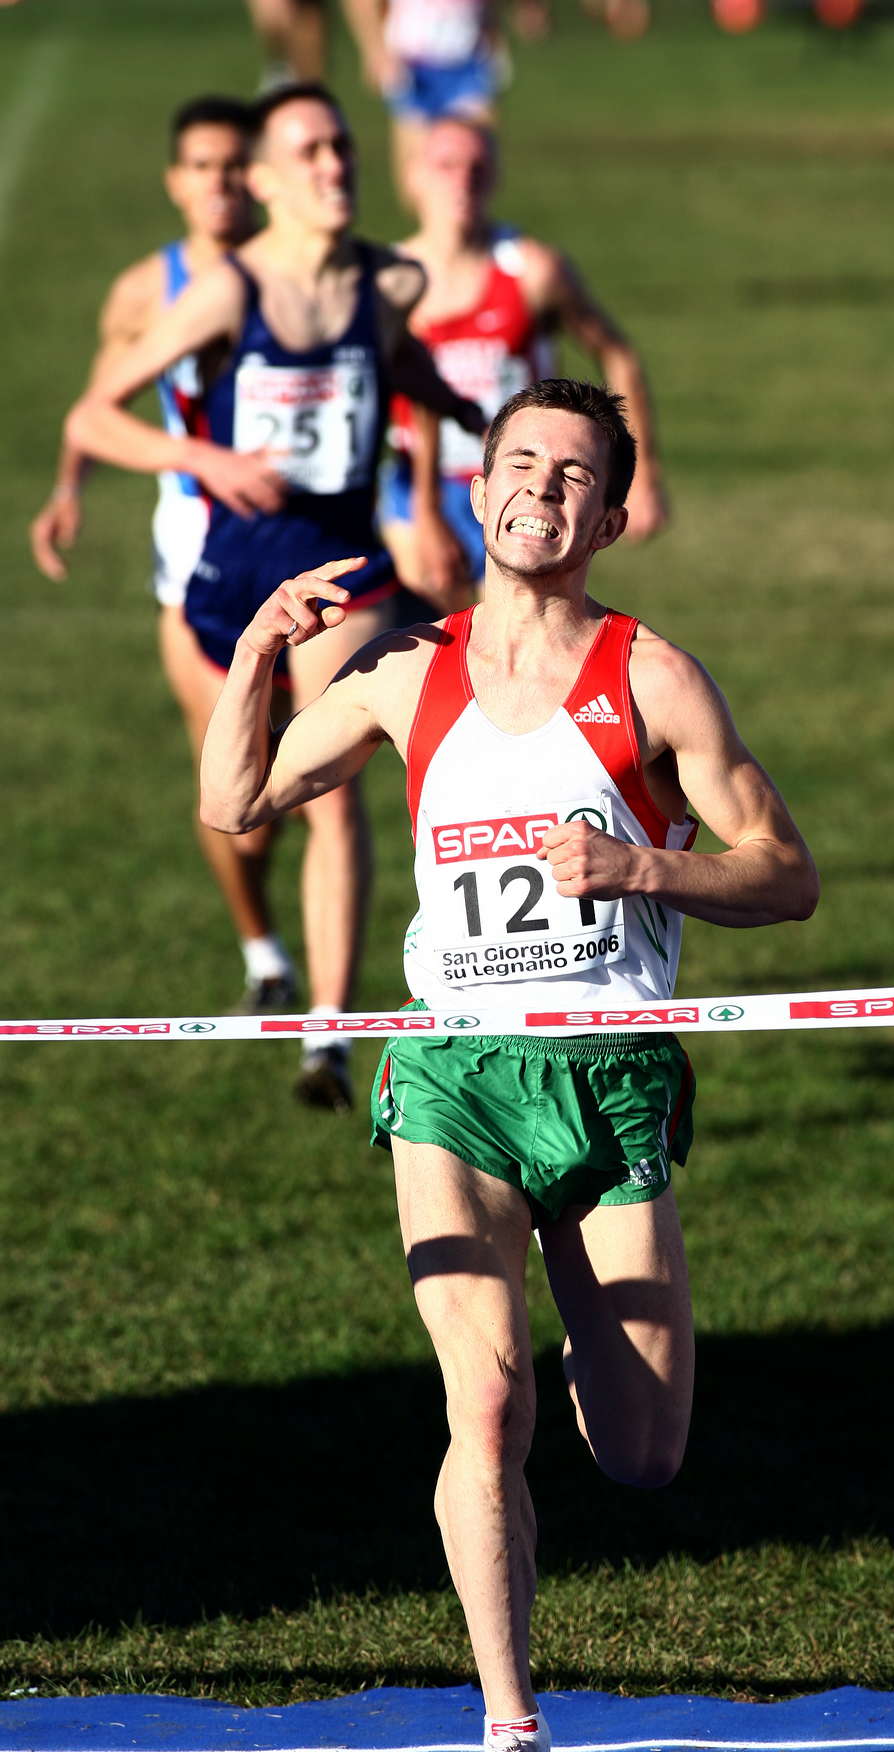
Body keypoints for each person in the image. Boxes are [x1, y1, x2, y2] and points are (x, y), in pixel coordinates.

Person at [198, 378, 818, 1747]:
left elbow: (786, 875)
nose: (541, 485)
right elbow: (234, 801)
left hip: (606, 1075)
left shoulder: (651, 677)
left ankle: (592, 1346)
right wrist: (254, 654)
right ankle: (509, 1719)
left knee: (642, 1453)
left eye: (574, 473)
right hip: (452, 1071)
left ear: (609, 518)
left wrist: (645, 868)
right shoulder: (406, 672)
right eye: (520, 461)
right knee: (482, 1405)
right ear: (478, 490)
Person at [67, 83, 482, 1111]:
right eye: (310, 153)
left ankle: (326, 1037)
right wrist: (203, 457)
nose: (335, 167)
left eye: (342, 146)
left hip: (343, 570)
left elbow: (400, 367)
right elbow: (92, 415)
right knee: (241, 819)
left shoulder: (391, 281)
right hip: (231, 577)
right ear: (263, 181)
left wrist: (466, 434)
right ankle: (263, 947)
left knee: (330, 797)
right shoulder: (225, 293)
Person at [29, 95, 300, 1005]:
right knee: (233, 775)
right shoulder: (147, 290)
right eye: (202, 167)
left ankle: (329, 1000)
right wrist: (69, 489)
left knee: (315, 774)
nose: (220, 184)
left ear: (259, 178)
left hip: (306, 532)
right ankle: (264, 954)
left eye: (234, 166)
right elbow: (100, 396)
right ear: (176, 182)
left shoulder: (304, 269)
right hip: (194, 538)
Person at [381, 116, 669, 596]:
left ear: (494, 176)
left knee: (521, 628)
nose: (462, 180)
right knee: (429, 627)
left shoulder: (532, 271)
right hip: (421, 486)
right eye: (446, 165)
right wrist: (425, 509)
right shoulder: (387, 283)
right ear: (413, 176)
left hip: (525, 481)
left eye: (477, 167)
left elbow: (616, 354)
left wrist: (642, 477)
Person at [344, 0, 506, 201]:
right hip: (413, 65)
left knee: (478, 164)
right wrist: (374, 48)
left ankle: (470, 220)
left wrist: (494, 30)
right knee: (418, 179)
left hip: (469, 59)